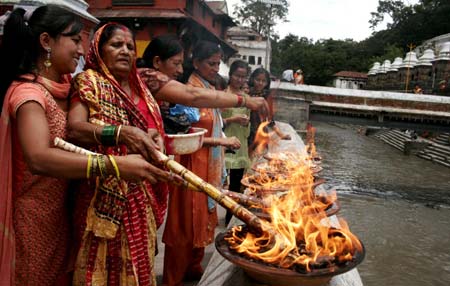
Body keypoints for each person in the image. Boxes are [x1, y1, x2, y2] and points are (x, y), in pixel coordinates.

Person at [0, 7, 161, 286]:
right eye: (74, 40)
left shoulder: (65, 85)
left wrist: (141, 134)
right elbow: (39, 158)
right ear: (46, 42)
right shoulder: (28, 95)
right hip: (36, 218)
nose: (81, 49)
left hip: (67, 211)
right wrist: (114, 166)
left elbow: (94, 125)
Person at [67, 23, 173, 285]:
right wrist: (119, 133)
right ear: (98, 50)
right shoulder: (89, 81)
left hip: (139, 193)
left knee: (138, 266)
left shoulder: (142, 91)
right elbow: (75, 129)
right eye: (116, 45)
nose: (125, 51)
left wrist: (153, 136)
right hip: (100, 191)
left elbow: (149, 130)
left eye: (129, 46)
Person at [161, 40, 241, 286]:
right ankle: (173, 279)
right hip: (191, 166)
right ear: (195, 63)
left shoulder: (207, 87)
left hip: (209, 166)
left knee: (201, 222)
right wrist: (222, 142)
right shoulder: (189, 91)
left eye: (218, 63)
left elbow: (212, 123)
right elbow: (186, 135)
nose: (216, 68)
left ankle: (193, 270)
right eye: (211, 63)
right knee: (184, 226)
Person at [138, 34, 269, 113]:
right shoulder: (147, 77)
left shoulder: (210, 84)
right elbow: (193, 95)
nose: (180, 70)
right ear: (157, 61)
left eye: (181, 64)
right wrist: (245, 101)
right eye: (176, 63)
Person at [221, 60, 251, 225]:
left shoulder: (246, 99)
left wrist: (246, 124)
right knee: (219, 183)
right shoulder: (222, 95)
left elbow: (248, 130)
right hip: (224, 146)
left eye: (243, 77)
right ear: (230, 75)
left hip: (240, 147)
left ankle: (229, 217)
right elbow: (217, 122)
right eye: (237, 76)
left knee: (235, 186)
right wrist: (232, 119)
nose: (239, 80)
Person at [248, 68, 290, 154]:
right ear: (252, 79)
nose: (260, 83)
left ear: (267, 83)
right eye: (258, 80)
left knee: (258, 159)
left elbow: (270, 118)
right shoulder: (246, 92)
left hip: (260, 130)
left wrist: (280, 134)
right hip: (245, 130)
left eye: (263, 81)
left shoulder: (267, 95)